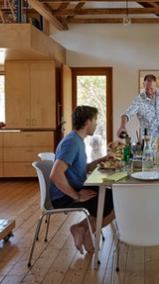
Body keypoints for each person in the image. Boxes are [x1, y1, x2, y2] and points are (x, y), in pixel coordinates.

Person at [49, 106, 115, 254]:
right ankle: (83, 231)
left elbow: (77, 168)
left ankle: (82, 230)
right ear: (87, 122)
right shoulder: (71, 142)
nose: (96, 124)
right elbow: (55, 174)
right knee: (115, 203)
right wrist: (77, 196)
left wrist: (100, 161)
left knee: (113, 198)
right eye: (95, 120)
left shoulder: (77, 140)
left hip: (74, 188)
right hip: (63, 196)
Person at [117, 74, 159, 141]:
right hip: (148, 140)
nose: (149, 92)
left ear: (156, 85)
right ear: (144, 85)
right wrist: (122, 126)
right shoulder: (139, 100)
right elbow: (127, 114)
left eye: (151, 89)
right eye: (147, 89)